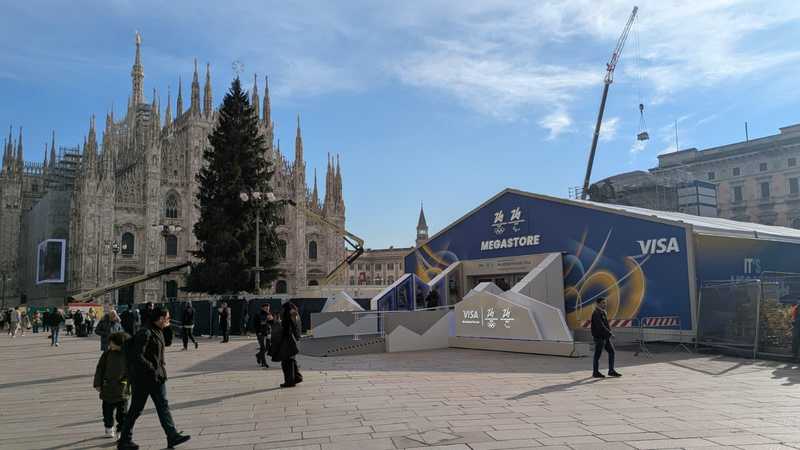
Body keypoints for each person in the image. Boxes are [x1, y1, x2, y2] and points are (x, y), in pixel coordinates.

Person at [117, 307, 190, 450]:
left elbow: (167, 343)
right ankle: (125, 440)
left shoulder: (158, 330)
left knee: (162, 407)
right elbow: (137, 356)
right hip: (144, 379)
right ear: (161, 318)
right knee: (136, 409)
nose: (168, 320)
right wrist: (151, 368)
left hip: (156, 377)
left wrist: (168, 328)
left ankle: (172, 436)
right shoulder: (145, 332)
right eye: (167, 318)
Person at [94, 331, 131, 439]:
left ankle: (121, 430)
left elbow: (133, 371)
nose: (109, 345)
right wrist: (97, 383)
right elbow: (100, 368)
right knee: (107, 412)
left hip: (122, 388)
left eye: (112, 343)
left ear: (119, 343)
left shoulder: (128, 355)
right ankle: (109, 427)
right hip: (107, 387)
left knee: (122, 413)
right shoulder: (107, 354)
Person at [271, 302, 302, 388]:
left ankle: (289, 382)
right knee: (291, 361)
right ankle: (296, 377)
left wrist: (276, 322)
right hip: (292, 341)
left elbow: (285, 329)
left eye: (283, 309)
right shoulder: (295, 315)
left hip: (287, 341)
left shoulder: (290, 316)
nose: (282, 311)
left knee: (286, 362)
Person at [591, 297, 621, 378]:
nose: (605, 304)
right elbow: (600, 326)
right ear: (598, 304)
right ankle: (595, 372)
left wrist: (608, 334)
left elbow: (606, 325)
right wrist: (610, 333)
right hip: (599, 337)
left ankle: (611, 371)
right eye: (603, 303)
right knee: (597, 354)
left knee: (612, 352)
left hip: (605, 337)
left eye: (605, 303)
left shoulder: (603, 312)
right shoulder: (596, 313)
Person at [254, 304, 274, 368]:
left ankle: (258, 355)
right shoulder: (258, 314)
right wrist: (258, 332)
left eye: (268, 308)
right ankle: (264, 363)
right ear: (262, 308)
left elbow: (272, 323)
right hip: (260, 333)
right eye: (266, 308)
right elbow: (256, 324)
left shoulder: (269, 314)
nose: (267, 309)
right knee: (263, 348)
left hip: (268, 332)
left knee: (267, 348)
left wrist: (272, 319)